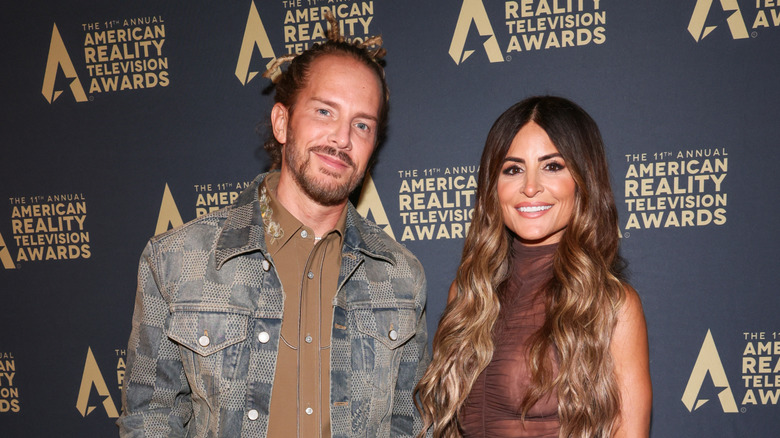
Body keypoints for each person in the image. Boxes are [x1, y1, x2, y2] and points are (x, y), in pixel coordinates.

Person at [118, 17, 429, 438]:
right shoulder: (179, 259)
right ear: (282, 123)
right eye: (324, 112)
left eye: (362, 125)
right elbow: (149, 419)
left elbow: (410, 424)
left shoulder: (400, 275)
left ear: (374, 145)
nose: (341, 139)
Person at [415, 96, 651, 437]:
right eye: (512, 169)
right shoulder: (468, 296)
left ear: (583, 180)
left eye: (552, 166)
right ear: (492, 188)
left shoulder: (613, 306)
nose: (529, 187)